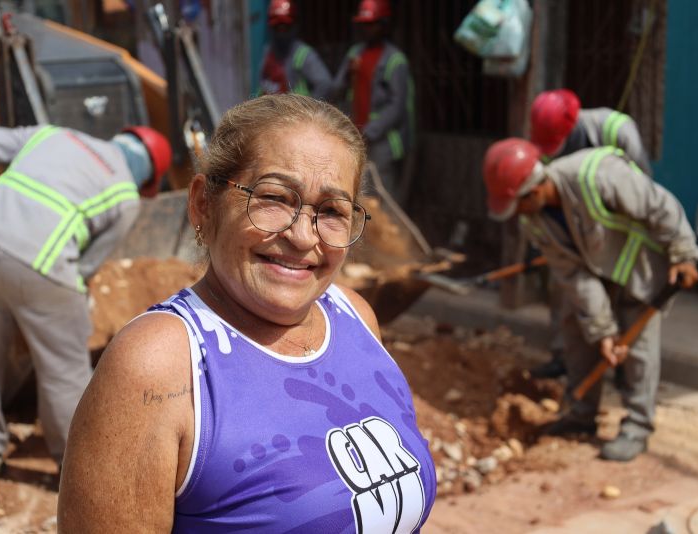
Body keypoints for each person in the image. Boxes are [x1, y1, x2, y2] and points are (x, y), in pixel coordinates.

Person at [58, 94, 437, 531]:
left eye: (332, 211)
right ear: (204, 203)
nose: (301, 236)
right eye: (274, 197)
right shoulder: (159, 365)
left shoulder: (354, 316)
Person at [0, 124, 172, 493]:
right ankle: (79, 474)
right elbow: (85, 268)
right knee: (64, 375)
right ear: (149, 179)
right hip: (43, 260)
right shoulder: (125, 196)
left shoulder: (54, 134)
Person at [482, 138, 698, 462]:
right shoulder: (535, 221)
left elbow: (660, 205)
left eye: (518, 205)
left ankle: (638, 427)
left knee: (638, 349)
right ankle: (581, 416)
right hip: (597, 273)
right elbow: (574, 277)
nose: (517, 215)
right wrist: (603, 332)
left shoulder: (596, 175)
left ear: (535, 191)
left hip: (641, 266)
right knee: (577, 328)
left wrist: (684, 253)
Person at [528, 88, 653, 379]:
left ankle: (623, 370)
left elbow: (643, 191)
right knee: (568, 294)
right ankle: (564, 358)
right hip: (575, 234)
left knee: (625, 301)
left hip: (618, 235)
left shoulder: (617, 130)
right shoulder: (544, 140)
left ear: (572, 126)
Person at [331, 0, 414, 201]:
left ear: (384, 25)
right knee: (358, 195)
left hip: (382, 141)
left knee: (382, 198)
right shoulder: (355, 53)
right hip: (355, 136)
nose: (368, 30)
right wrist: (346, 75)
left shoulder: (395, 60)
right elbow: (336, 90)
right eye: (364, 25)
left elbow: (397, 106)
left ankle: (388, 233)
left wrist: (370, 130)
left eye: (373, 24)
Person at [259, 0, 332, 101]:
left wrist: (307, 110)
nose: (281, 33)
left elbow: (325, 84)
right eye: (277, 28)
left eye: (285, 28)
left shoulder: (304, 54)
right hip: (271, 112)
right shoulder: (268, 51)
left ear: (294, 26)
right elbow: (262, 84)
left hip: (294, 113)